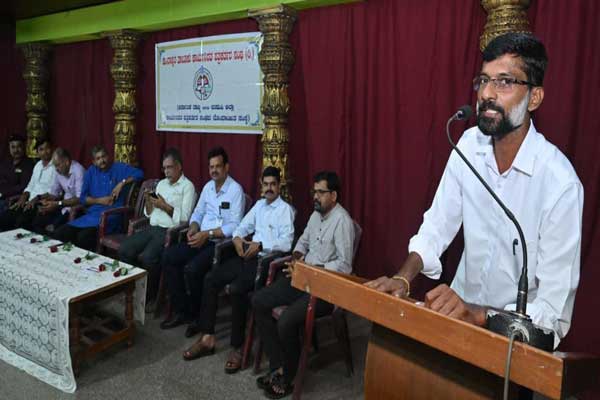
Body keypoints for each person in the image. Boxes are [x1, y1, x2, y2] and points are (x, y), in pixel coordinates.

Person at [366, 33, 583, 350]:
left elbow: (552, 313)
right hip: (454, 322)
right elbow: (437, 225)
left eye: (505, 82)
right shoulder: (468, 145)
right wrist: (403, 278)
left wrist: (480, 315)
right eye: (483, 80)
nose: (487, 94)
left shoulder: (560, 184)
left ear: (534, 97)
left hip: (513, 346)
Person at [252, 171, 355, 399]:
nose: (315, 197)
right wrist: (297, 259)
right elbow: (302, 242)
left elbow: (345, 265)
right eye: (314, 192)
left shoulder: (342, 221)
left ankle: (289, 377)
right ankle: (279, 365)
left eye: (321, 192)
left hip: (326, 289)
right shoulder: (315, 215)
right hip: (302, 278)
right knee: (259, 301)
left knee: (286, 321)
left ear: (334, 195)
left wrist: (312, 270)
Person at [182, 166, 295, 373]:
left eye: (273, 184)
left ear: (279, 186)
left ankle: (238, 347)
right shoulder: (259, 205)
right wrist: (236, 239)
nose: (269, 188)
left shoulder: (285, 210)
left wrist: (261, 245)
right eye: (266, 184)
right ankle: (207, 337)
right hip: (247, 256)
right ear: (261, 185)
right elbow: (241, 227)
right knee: (211, 279)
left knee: (237, 289)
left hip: (267, 262)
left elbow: (287, 243)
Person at [160, 146, 244, 331]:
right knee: (168, 256)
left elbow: (235, 226)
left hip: (220, 245)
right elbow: (197, 213)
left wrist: (208, 234)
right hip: (200, 238)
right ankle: (182, 311)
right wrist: (193, 227)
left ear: (227, 167)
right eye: (211, 167)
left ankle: (198, 318)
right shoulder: (208, 187)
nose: (214, 170)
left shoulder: (235, 190)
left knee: (193, 269)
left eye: (218, 166)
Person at [117, 148, 195, 309]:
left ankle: (149, 296)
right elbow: (149, 213)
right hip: (152, 227)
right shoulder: (161, 184)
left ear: (179, 166)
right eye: (164, 168)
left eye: (170, 167)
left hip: (168, 232)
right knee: (124, 249)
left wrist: (165, 206)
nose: (166, 171)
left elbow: (185, 218)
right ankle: (133, 290)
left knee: (148, 257)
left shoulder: (188, 187)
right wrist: (148, 201)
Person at [53, 145, 143, 251]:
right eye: (98, 158)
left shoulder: (119, 168)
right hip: (91, 216)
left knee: (83, 237)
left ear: (108, 156)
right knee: (60, 233)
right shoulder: (90, 172)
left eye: (103, 156)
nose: (102, 160)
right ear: (94, 162)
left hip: (110, 217)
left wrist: (122, 183)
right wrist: (100, 201)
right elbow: (82, 198)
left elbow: (139, 173)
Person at [0, 138, 56, 232]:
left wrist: (36, 198)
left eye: (47, 148)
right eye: (41, 149)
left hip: (42, 202)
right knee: (5, 218)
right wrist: (24, 196)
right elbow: (30, 185)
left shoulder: (56, 166)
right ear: (37, 152)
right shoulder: (38, 165)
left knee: (21, 222)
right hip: (29, 201)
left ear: (52, 149)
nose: (45, 152)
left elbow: (55, 191)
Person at [30, 148, 85, 234]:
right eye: (55, 166)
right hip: (63, 206)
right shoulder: (59, 172)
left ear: (66, 162)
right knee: (37, 222)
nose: (56, 169)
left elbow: (79, 199)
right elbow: (54, 194)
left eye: (58, 165)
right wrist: (40, 199)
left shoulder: (78, 171)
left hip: (77, 208)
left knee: (55, 231)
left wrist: (57, 204)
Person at [0, 134, 35, 212]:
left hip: (15, 199)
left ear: (24, 147)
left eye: (19, 146)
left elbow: (24, 186)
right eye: (13, 147)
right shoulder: (4, 163)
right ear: (9, 148)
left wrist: (5, 192)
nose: (16, 150)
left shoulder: (29, 164)